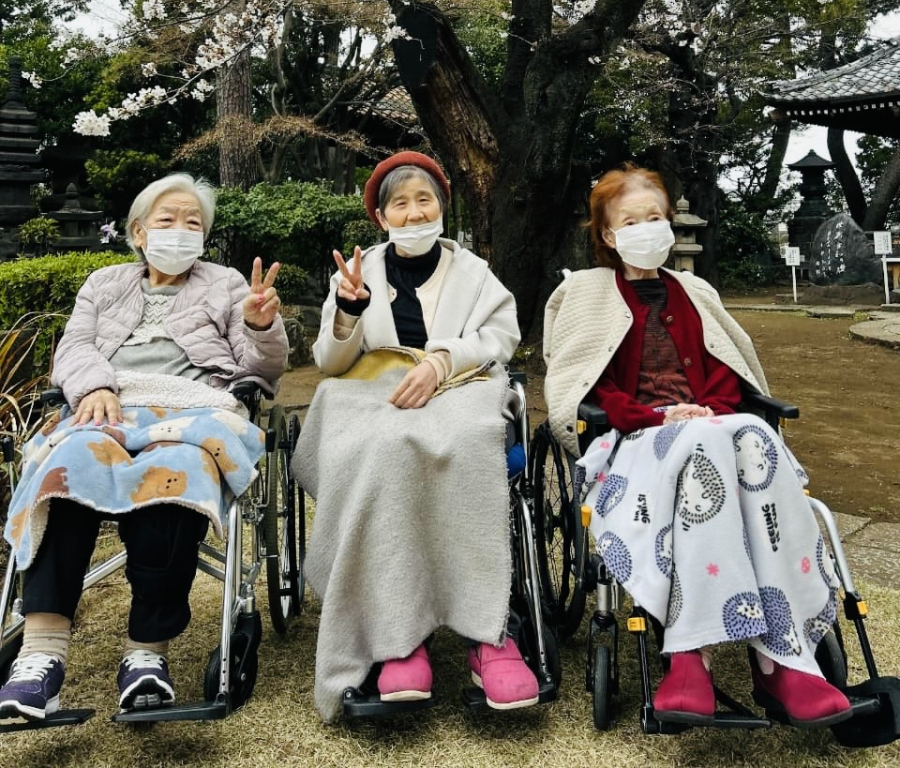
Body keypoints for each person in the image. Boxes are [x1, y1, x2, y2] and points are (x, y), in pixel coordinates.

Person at [543, 164, 851, 729]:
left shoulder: (697, 292)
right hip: (634, 439)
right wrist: (655, 416)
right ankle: (693, 652)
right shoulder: (583, 293)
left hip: (713, 426)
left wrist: (706, 410)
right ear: (608, 234)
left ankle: (782, 655)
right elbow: (586, 385)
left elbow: (730, 370)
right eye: (630, 221)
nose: (647, 229)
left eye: (655, 217)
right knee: (706, 444)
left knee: (754, 436)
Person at [0, 173, 288, 723]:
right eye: (167, 220)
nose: (181, 230)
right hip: (108, 407)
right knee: (63, 470)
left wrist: (261, 326)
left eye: (193, 223)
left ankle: (146, 654)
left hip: (193, 409)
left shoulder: (227, 285)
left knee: (177, 473)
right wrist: (96, 387)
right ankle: (40, 658)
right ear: (138, 232)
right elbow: (75, 348)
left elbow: (263, 369)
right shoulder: (103, 283)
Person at [292, 151, 539, 720]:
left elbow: (501, 336)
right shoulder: (356, 274)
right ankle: (398, 636)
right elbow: (331, 363)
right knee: (381, 449)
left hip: (459, 384)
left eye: (423, 200)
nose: (413, 213)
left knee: (468, 444)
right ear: (381, 218)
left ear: (442, 207)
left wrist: (442, 360)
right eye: (399, 204)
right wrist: (348, 311)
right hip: (374, 388)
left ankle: (488, 630)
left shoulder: (474, 273)